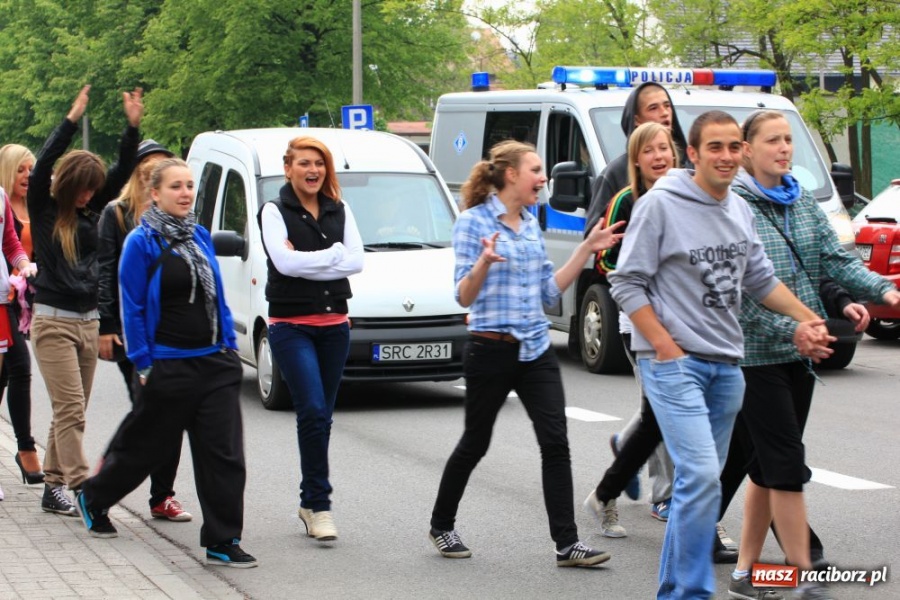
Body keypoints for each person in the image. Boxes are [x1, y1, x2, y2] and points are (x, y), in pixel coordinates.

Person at [608, 110, 833, 599]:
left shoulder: (737, 208)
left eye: (734, 147)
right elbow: (625, 281)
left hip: (727, 368)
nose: (727, 156)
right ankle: (692, 592)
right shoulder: (661, 205)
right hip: (675, 365)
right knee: (704, 476)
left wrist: (806, 319)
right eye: (715, 147)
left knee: (697, 485)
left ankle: (673, 589)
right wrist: (662, 342)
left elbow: (759, 280)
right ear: (693, 153)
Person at [724, 110, 900, 600]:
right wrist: (794, 326)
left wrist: (882, 292)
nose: (784, 148)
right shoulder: (734, 206)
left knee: (765, 466)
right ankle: (804, 575)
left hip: (802, 351)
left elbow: (836, 260)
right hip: (755, 353)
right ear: (747, 148)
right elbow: (741, 297)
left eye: (788, 140)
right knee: (783, 462)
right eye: (773, 141)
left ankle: (744, 573)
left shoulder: (799, 200)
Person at [428, 140, 624, 567]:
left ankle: (567, 544)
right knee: (475, 443)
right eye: (536, 169)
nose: (544, 178)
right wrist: (483, 262)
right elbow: (464, 295)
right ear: (511, 174)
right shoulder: (472, 223)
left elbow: (547, 290)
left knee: (555, 442)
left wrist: (586, 249)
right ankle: (441, 525)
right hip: (490, 350)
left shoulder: (531, 221)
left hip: (535, 350)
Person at [75, 158, 257, 568]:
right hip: (167, 365)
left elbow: (216, 298)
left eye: (190, 186)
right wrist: (143, 364)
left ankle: (222, 540)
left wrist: (229, 344)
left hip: (215, 363)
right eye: (176, 186)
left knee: (224, 455)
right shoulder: (140, 242)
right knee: (145, 448)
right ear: (154, 193)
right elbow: (133, 306)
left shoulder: (200, 236)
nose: (186, 193)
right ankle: (95, 496)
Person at [28, 84, 142, 516]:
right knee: (71, 408)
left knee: (69, 411)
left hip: (88, 322)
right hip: (53, 322)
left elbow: (122, 169)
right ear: (70, 185)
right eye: (82, 189)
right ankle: (81, 486)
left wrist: (132, 127)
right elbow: (41, 169)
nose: (88, 196)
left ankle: (52, 486)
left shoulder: (93, 210)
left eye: (93, 191)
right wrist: (71, 119)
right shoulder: (44, 209)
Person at [584, 81, 691, 521]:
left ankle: (627, 448)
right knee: (667, 409)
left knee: (660, 410)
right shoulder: (621, 185)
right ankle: (665, 494)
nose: (663, 113)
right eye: (653, 108)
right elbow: (602, 247)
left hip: (688, 320)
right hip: (641, 321)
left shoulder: (689, 177)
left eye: (667, 107)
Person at [259, 136, 364, 543]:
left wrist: (311, 262)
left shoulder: (340, 208)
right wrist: (332, 256)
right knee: (314, 411)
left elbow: (356, 260)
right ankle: (318, 505)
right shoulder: (274, 210)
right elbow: (283, 264)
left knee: (324, 416)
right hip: (291, 326)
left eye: (319, 163)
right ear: (288, 168)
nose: (313, 170)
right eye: (304, 163)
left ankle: (310, 502)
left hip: (335, 325)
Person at [97, 139, 191, 522]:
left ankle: (161, 496)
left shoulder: (181, 217)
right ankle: (105, 479)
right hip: (131, 333)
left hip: (173, 334)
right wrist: (106, 326)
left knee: (167, 414)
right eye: (146, 165)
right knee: (148, 413)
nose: (152, 169)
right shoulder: (117, 215)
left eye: (160, 164)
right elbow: (106, 273)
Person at [0, 144, 44, 487]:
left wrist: (24, 265)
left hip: (16, 301)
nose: (27, 176)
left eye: (32, 169)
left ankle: (26, 448)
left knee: (15, 369)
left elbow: (11, 244)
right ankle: (26, 449)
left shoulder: (7, 199)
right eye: (21, 169)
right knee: (16, 367)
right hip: (7, 301)